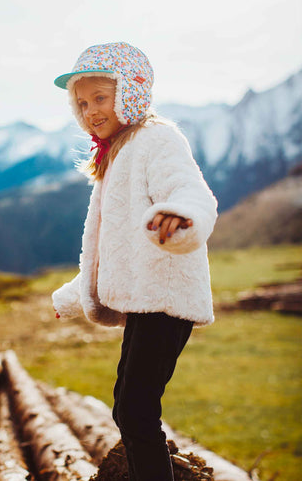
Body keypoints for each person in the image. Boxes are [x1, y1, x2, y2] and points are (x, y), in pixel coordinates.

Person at [52, 42, 218, 481]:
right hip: (147, 303)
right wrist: (72, 296)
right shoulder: (117, 154)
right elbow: (109, 249)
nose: (90, 111)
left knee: (137, 410)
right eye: (82, 103)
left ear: (131, 92)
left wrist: (182, 218)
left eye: (100, 99)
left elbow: (191, 192)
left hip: (166, 297)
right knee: (127, 406)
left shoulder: (158, 140)